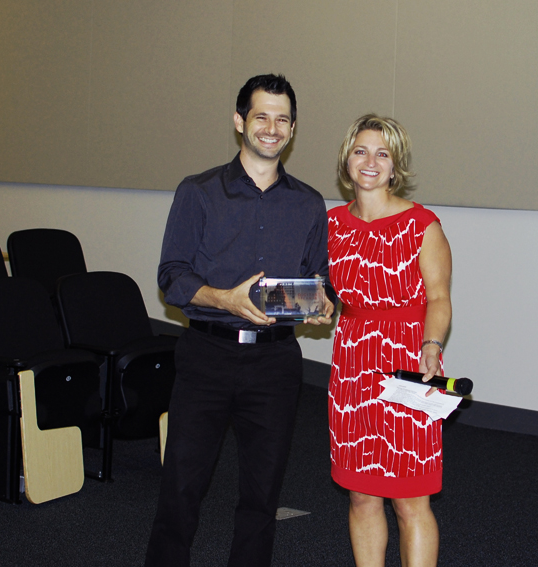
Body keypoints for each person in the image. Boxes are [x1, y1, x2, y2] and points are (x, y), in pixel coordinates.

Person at [145, 74, 335, 567]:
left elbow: (322, 281)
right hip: (206, 354)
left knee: (262, 494)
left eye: (282, 119)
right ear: (239, 122)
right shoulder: (199, 191)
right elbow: (172, 275)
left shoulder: (310, 204)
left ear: (292, 129)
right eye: (261, 116)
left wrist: (322, 303)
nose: (271, 128)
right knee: (182, 486)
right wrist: (224, 299)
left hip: (274, 363)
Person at [327, 114, 452, 566]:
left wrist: (432, 346)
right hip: (352, 365)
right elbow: (324, 293)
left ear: (395, 166)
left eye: (383, 153)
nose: (370, 161)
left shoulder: (423, 225)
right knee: (361, 495)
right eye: (361, 150)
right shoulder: (331, 225)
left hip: (407, 363)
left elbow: (439, 298)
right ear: (347, 159)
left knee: (409, 499)